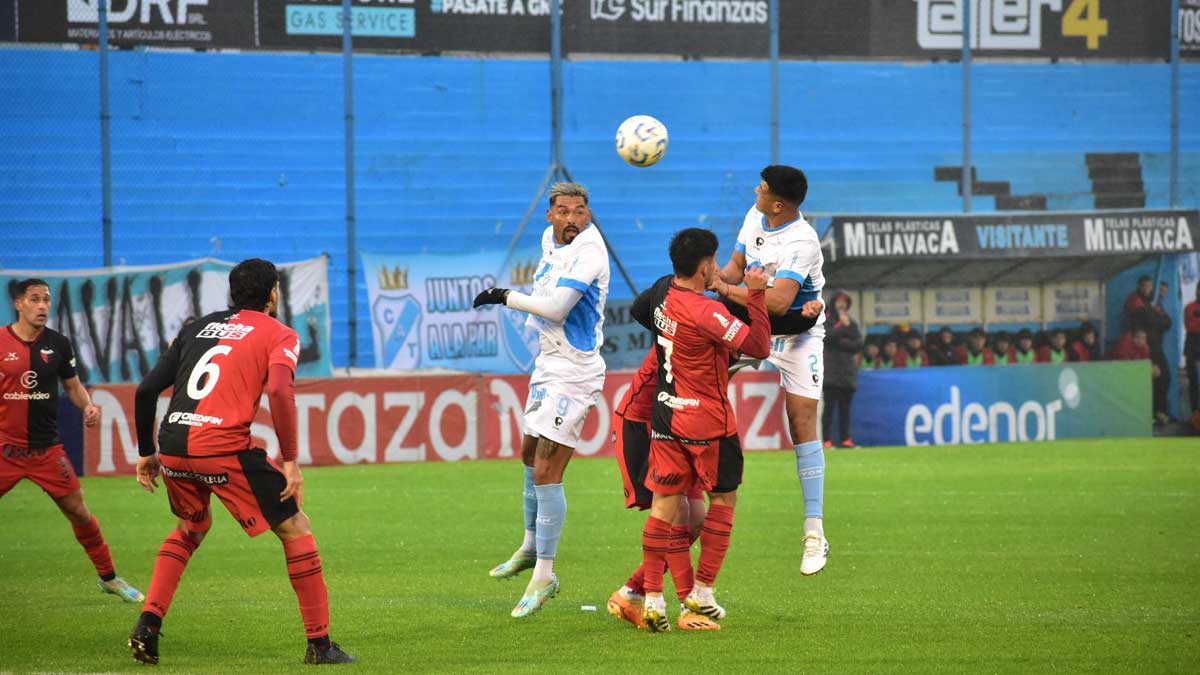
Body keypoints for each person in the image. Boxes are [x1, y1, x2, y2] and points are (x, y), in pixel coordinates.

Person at [129, 259, 354, 666]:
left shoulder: (195, 327)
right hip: (222, 446)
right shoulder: (279, 333)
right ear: (273, 294)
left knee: (191, 528)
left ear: (233, 293)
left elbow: (146, 390)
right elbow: (280, 391)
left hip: (175, 444)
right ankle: (320, 645)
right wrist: (291, 461)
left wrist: (147, 452)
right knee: (296, 527)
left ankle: (149, 623)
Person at [473, 182, 610, 618]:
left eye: (580, 211)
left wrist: (504, 296)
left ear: (589, 215)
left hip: (575, 372)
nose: (572, 219)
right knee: (529, 455)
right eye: (563, 211)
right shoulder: (551, 240)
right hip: (548, 364)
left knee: (549, 469)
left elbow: (556, 308)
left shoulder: (590, 251)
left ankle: (545, 575)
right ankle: (531, 545)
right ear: (550, 215)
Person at [630, 228, 772, 632]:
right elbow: (759, 346)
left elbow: (643, 311)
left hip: (666, 415)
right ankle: (703, 591)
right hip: (708, 421)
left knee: (664, 506)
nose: (718, 267)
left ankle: (653, 600)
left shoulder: (663, 293)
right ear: (705, 267)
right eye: (716, 261)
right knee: (724, 497)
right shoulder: (707, 312)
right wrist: (757, 294)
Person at [711, 165, 832, 576]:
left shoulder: (803, 241)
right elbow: (734, 266)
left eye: (762, 188)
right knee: (705, 390)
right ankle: (692, 494)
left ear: (778, 205)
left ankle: (814, 532)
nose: (755, 191)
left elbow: (779, 302)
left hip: (798, 333)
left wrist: (726, 290)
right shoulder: (755, 215)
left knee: (801, 422)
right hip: (754, 326)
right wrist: (714, 278)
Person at [0, 279, 144, 604]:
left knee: (79, 512)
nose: (42, 306)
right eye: (34, 299)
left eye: (46, 299)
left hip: (46, 451)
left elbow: (73, 386)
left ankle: (109, 578)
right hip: (5, 449)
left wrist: (88, 406)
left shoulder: (58, 344)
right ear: (19, 304)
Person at [606, 344, 708, 629]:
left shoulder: (723, 335)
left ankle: (631, 592)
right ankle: (689, 607)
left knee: (697, 519)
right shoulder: (692, 327)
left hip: (681, 424)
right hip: (643, 424)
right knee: (676, 511)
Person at [821, 291, 862, 449]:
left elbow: (858, 344)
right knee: (829, 409)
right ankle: (826, 440)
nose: (842, 305)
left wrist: (841, 340)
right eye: (839, 301)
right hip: (831, 372)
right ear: (833, 303)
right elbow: (828, 337)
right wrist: (843, 329)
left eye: (845, 302)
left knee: (845, 409)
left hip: (847, 373)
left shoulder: (852, 323)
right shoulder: (826, 320)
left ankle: (846, 439)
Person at [1114, 326, 1169, 423]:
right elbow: (1125, 367)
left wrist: (1152, 368)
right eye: (1138, 338)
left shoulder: (1145, 347)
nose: (1141, 341)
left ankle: (1155, 412)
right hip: (1119, 374)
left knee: (1157, 378)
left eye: (1143, 338)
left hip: (1135, 374)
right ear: (1133, 337)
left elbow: (1145, 364)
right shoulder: (1124, 346)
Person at [1184, 285, 1200, 416]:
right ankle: (1195, 414)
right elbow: (1190, 326)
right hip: (1192, 347)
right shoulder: (1190, 307)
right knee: (1193, 381)